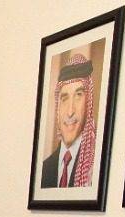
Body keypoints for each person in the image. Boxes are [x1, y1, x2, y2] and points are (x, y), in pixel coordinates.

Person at [41, 54, 97, 189]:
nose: (70, 111)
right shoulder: (44, 169)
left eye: (78, 95)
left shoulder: (95, 168)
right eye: (64, 98)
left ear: (88, 103)